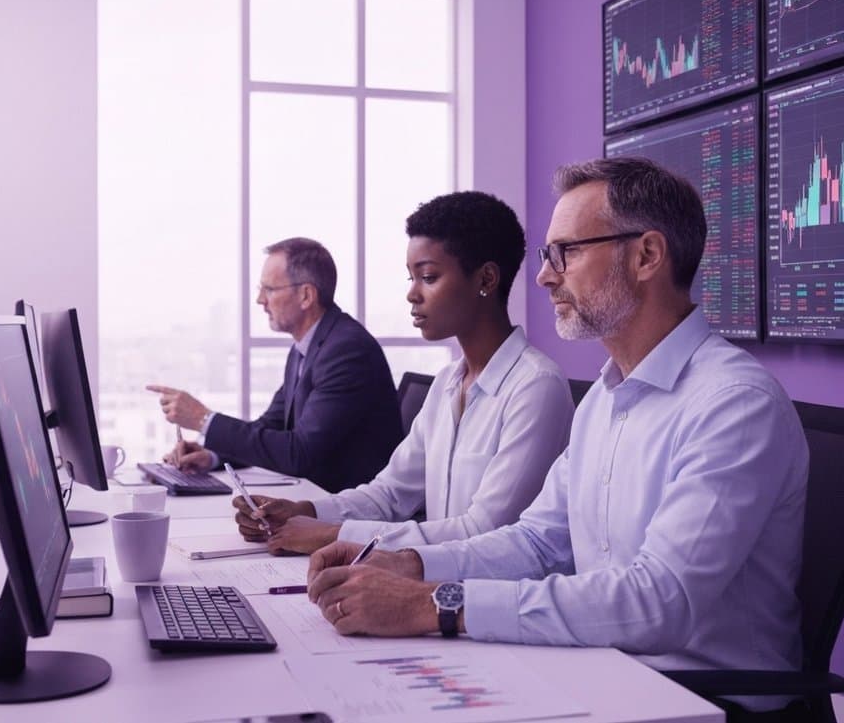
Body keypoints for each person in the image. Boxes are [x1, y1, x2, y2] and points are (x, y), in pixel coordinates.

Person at [303, 158, 810, 719]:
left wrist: (435, 604)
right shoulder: (603, 399)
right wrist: (410, 565)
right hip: (602, 672)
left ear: (646, 255)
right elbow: (539, 543)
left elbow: (658, 601)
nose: (545, 276)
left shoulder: (734, 403)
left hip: (700, 702)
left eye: (566, 252)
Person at [232, 192, 575, 555]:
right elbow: (390, 494)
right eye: (411, 278)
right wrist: (305, 511)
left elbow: (483, 531)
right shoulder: (446, 383)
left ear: (486, 279)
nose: (412, 294)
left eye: (428, 277)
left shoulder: (536, 387)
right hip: (431, 578)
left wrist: (333, 534)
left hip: (483, 587)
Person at [149, 237, 403, 493]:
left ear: (306, 295)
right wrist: (213, 455)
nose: (260, 300)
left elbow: (300, 453)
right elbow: (271, 427)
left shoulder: (346, 350)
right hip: (315, 496)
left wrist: (203, 419)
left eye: (269, 289)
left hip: (351, 505)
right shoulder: (306, 347)